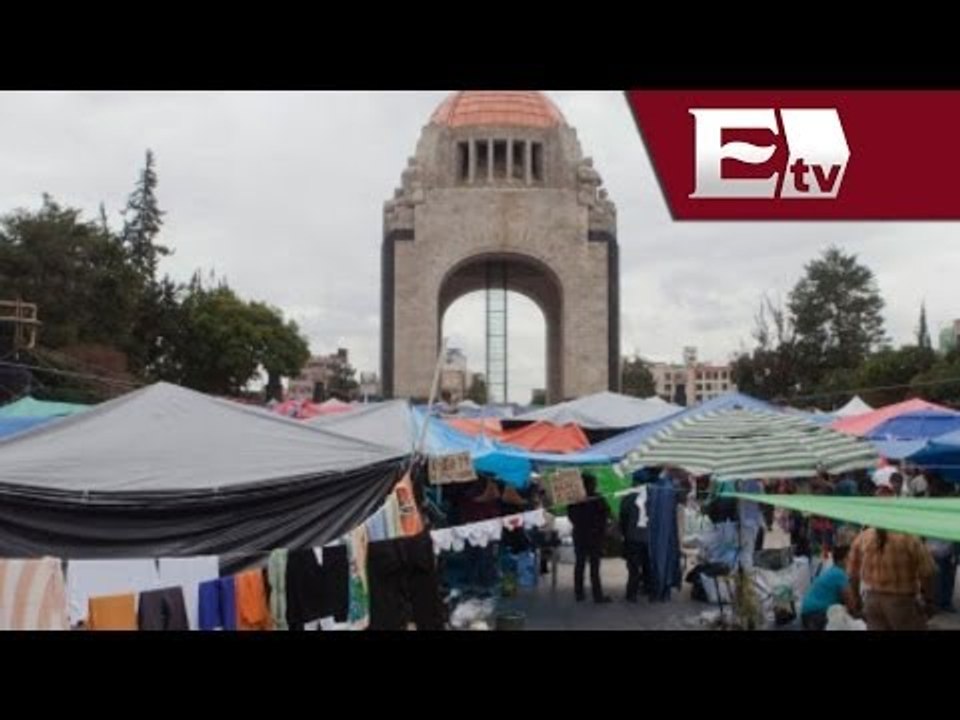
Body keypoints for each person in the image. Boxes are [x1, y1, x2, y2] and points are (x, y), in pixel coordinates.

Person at [847, 526, 936, 630]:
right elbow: (927, 572)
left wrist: (856, 599)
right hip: (901, 602)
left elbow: (852, 574)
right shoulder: (909, 537)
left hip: (872, 601)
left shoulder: (864, 536)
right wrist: (928, 600)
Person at [567, 472, 612, 603]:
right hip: (595, 536)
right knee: (594, 566)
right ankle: (597, 595)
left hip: (580, 534)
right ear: (591, 484)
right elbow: (607, 514)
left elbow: (571, 516)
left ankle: (579, 594)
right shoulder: (598, 498)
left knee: (580, 564)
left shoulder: (574, 499)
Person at [800, 545, 857, 630]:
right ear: (844, 559)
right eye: (850, 558)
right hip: (816, 615)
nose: (853, 561)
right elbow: (850, 603)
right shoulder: (839, 574)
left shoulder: (831, 570)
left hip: (807, 612)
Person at [619, 473, 651, 602]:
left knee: (633, 568)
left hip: (632, 538)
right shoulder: (652, 498)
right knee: (647, 566)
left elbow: (623, 519)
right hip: (648, 538)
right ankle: (648, 590)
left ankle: (631, 594)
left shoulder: (628, 498)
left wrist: (625, 535)